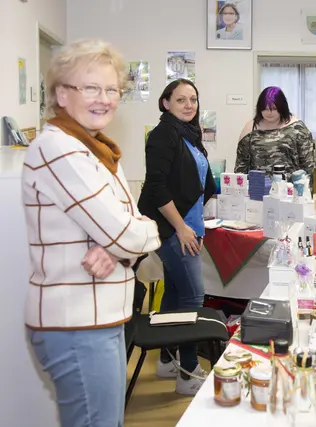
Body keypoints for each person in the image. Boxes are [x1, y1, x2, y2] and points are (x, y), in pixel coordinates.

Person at [22, 38, 161, 427]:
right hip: (76, 323)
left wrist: (118, 247)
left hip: (101, 317)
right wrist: (123, 242)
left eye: (112, 90)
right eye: (91, 88)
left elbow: (134, 225)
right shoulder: (60, 149)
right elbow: (130, 231)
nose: (104, 99)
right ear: (62, 94)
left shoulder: (96, 149)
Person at [138, 78, 217, 395]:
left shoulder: (188, 134)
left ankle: (167, 361)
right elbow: (157, 187)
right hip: (173, 228)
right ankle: (188, 372)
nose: (188, 105)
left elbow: (194, 184)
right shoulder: (163, 135)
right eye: (181, 99)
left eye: (193, 99)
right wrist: (182, 227)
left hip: (188, 225)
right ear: (165, 103)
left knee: (173, 293)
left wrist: (196, 223)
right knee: (192, 297)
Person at [235, 86, 314, 177]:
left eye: (274, 108)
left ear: (281, 107)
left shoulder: (298, 129)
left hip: (290, 184)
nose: (269, 112)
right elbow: (241, 167)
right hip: (257, 184)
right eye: (265, 109)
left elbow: (307, 166)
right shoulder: (250, 130)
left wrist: (304, 186)